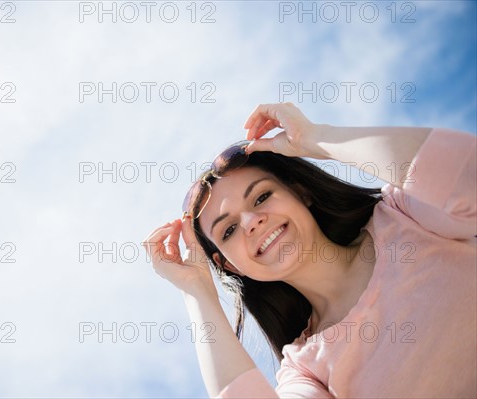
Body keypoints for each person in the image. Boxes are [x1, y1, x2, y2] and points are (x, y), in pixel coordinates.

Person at [142, 103, 476, 398]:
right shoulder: (306, 372)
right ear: (230, 265)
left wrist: (316, 138)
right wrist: (197, 292)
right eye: (228, 230)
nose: (251, 223)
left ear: (301, 193)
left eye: (261, 197)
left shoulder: (404, 215)